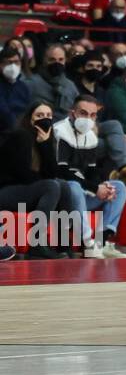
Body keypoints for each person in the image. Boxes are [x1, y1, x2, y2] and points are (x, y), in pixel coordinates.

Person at [52, 96, 126, 258]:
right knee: (73, 185)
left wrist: (102, 188)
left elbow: (92, 172)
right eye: (83, 113)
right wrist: (95, 188)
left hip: (82, 193)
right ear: (72, 113)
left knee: (119, 187)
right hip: (63, 194)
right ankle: (87, 243)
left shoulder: (91, 136)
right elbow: (62, 172)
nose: (88, 119)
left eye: (92, 115)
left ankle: (102, 242)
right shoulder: (59, 131)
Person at [0, 103, 75, 259]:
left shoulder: (46, 139)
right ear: (30, 119)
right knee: (51, 186)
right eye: (39, 116)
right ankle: (37, 244)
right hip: (6, 191)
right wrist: (46, 182)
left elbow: (52, 173)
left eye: (48, 116)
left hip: (27, 191)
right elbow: (22, 174)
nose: (45, 119)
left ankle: (63, 244)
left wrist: (45, 145)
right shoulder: (21, 136)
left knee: (63, 185)